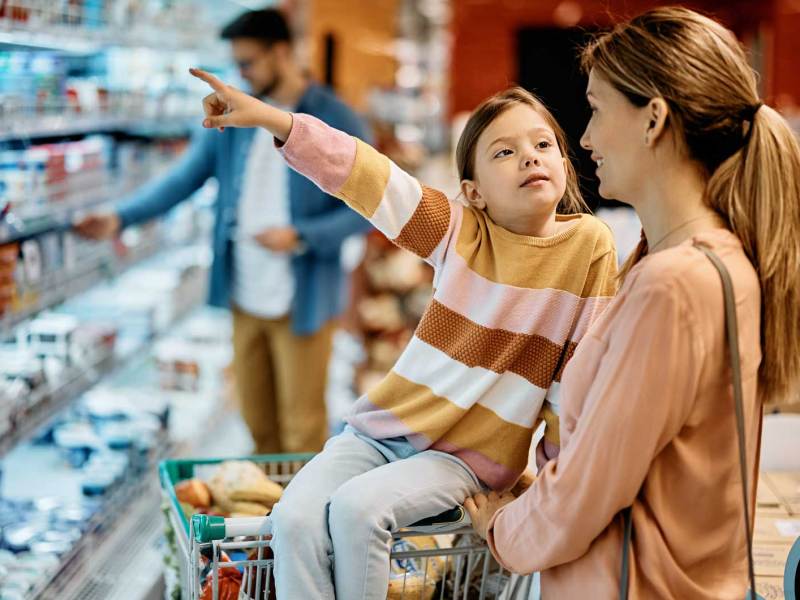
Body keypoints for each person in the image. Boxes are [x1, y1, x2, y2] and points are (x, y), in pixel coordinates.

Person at [189, 67, 619, 599]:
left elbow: (571, 387)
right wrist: (275, 121)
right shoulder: (460, 233)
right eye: (503, 153)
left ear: (563, 160)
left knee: (357, 509)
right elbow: (372, 178)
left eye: (542, 143)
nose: (530, 156)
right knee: (292, 520)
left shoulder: (590, 246)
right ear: (473, 192)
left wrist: (548, 493)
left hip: (464, 459)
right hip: (379, 433)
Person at [465, 7, 800, 599]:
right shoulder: (697, 261)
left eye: (595, 109)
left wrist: (502, 526)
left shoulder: (673, 285)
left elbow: (588, 490)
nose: (585, 138)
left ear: (653, 121)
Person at [73, 9, 371, 455]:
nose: (242, 74)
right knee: (255, 422)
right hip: (244, 293)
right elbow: (184, 178)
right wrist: (120, 218)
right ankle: (272, 516)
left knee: (302, 427)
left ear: (282, 52)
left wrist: (302, 236)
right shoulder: (237, 116)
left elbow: (365, 208)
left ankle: (300, 521)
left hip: (303, 300)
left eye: (249, 63)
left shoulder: (334, 116)